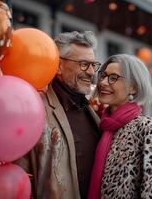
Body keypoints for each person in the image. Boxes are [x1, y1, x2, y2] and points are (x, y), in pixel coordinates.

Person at [17, 31, 101, 199]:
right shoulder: (34, 108)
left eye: (93, 65)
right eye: (84, 64)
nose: (92, 73)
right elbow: (20, 177)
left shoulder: (90, 109)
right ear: (59, 65)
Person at [88, 54, 152, 199]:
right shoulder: (103, 126)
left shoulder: (148, 127)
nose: (104, 82)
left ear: (133, 87)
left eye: (113, 77)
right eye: (103, 75)